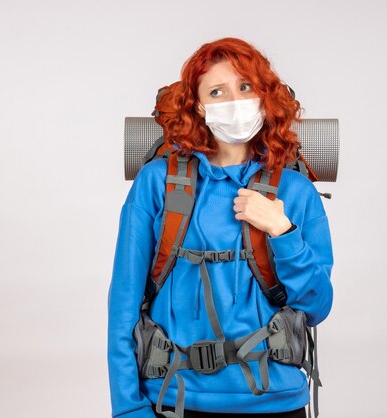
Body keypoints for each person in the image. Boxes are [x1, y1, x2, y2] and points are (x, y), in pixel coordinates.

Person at [107, 37, 334, 418]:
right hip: (175, 399)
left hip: (277, 403)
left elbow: (316, 307)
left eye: (245, 87)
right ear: (198, 104)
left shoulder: (295, 191)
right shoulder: (157, 183)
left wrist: (282, 230)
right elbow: (123, 306)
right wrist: (129, 409)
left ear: (264, 95)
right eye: (217, 91)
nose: (235, 101)